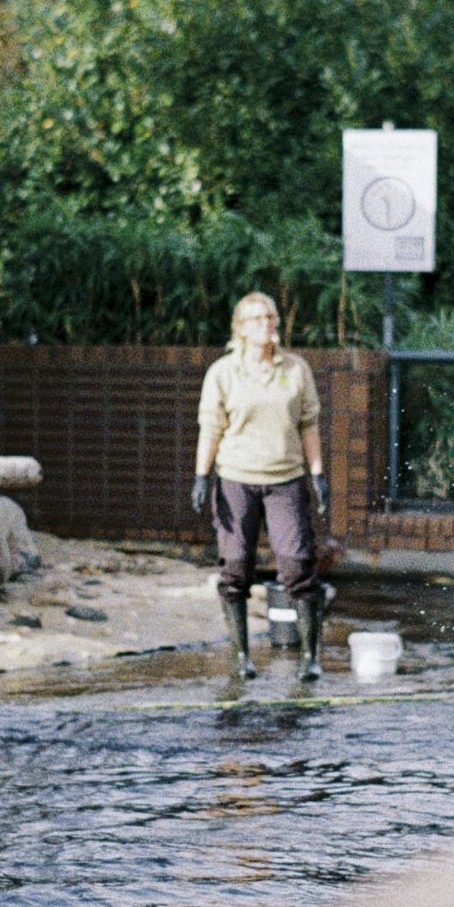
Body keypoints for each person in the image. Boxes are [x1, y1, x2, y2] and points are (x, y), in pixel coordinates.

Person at [192, 292, 327, 681]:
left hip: (285, 480)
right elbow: (211, 427)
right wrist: (201, 476)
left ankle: (310, 657)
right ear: (240, 328)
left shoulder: (296, 369)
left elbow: (309, 424)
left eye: (270, 316)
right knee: (235, 567)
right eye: (257, 318)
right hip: (236, 479)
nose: (267, 323)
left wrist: (317, 474)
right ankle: (241, 657)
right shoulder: (223, 372)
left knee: (297, 564)